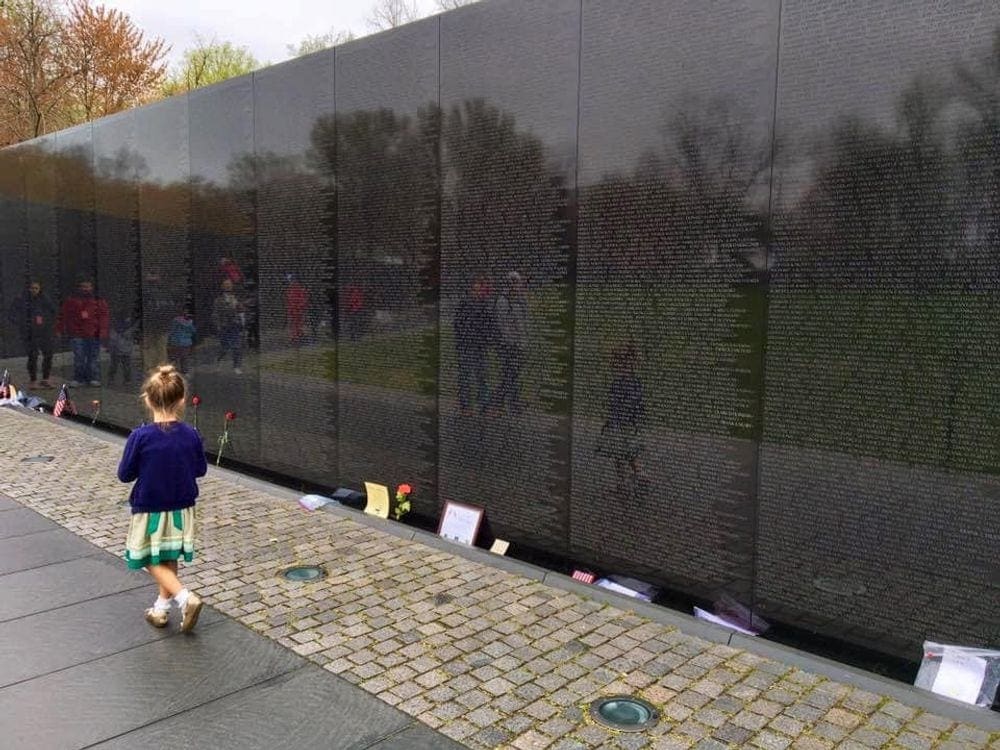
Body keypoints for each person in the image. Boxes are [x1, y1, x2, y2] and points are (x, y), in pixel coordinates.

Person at [118, 365, 206, 632]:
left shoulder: (140, 437)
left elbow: (125, 474)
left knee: (143, 556)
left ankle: (184, 598)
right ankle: (161, 609)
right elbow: (200, 469)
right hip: (182, 508)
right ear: (181, 400)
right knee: (168, 558)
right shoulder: (191, 434)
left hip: (151, 508)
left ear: (147, 399)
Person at [597, 343, 645, 493]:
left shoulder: (620, 383)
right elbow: (637, 406)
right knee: (628, 454)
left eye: (616, 361)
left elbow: (618, 407)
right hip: (629, 425)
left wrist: (613, 422)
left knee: (622, 455)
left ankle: (632, 478)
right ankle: (632, 479)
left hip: (620, 425)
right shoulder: (635, 381)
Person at [55, 277, 109, 387]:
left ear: (92, 287)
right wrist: (59, 329)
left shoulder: (99, 301)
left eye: (87, 286)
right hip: (77, 333)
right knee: (79, 357)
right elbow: (63, 315)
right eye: (83, 286)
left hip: (93, 332)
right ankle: (79, 378)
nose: (85, 289)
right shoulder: (71, 301)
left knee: (92, 357)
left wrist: (103, 331)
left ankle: (93, 377)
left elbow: (104, 316)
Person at [454, 276, 493, 415]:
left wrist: (487, 339)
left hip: (480, 347)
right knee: (465, 376)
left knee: (482, 376)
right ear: (471, 290)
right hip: (466, 346)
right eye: (475, 289)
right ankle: (465, 406)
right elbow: (457, 325)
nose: (477, 291)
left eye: (479, 289)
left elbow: (489, 324)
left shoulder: (484, 304)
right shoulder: (464, 304)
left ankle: (484, 405)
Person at [491, 271, 528, 415]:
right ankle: (505, 403)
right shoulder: (503, 301)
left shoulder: (520, 300)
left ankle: (507, 402)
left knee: (512, 374)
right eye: (517, 282)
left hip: (519, 344)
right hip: (507, 345)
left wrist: (524, 342)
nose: (520, 285)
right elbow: (503, 326)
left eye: (519, 282)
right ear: (510, 284)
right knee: (510, 374)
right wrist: (513, 344)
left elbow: (524, 322)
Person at [7, 279, 55, 388]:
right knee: (33, 356)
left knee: (48, 354)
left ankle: (45, 379)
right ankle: (33, 380)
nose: (34, 290)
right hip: (29, 332)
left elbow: (52, 312)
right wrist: (23, 323)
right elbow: (11, 314)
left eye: (36, 288)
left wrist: (47, 322)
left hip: (44, 332)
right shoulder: (21, 299)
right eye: (32, 288)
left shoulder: (45, 299)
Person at [212, 279, 244, 375]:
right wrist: (218, 325)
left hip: (234, 325)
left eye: (229, 285)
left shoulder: (236, 298)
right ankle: (218, 362)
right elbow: (215, 314)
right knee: (224, 348)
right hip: (224, 326)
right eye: (226, 285)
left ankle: (236, 366)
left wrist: (242, 322)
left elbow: (241, 310)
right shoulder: (218, 300)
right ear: (222, 287)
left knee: (237, 347)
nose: (228, 286)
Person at [107, 312, 139, 386]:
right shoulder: (114, 327)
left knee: (126, 365)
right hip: (117, 347)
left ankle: (127, 379)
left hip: (125, 346)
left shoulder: (130, 325)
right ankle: (112, 378)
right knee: (115, 365)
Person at [167, 307, 197, 374]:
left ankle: (174, 371)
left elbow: (172, 331)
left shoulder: (175, 320)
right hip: (186, 343)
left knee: (174, 357)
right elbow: (193, 331)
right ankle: (184, 371)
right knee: (184, 358)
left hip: (175, 342)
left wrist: (169, 341)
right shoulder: (189, 322)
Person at [285, 274, 309, 346]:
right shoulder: (290, 290)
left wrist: (299, 308)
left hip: (297, 311)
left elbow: (304, 300)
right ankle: (297, 338)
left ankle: (296, 339)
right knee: (295, 325)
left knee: (296, 325)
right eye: (291, 281)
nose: (291, 282)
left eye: (292, 280)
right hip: (294, 311)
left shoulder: (299, 289)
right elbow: (288, 301)